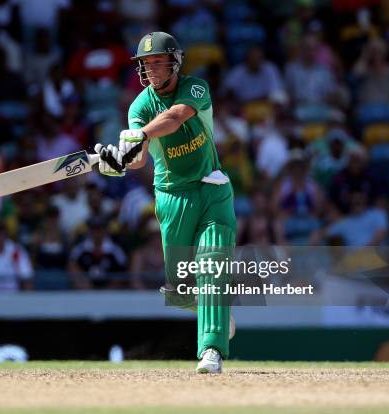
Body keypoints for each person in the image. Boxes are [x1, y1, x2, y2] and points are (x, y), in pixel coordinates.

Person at [94, 32, 236, 374]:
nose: (153, 69)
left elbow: (175, 117)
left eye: (159, 62)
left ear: (175, 61)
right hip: (171, 195)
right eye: (146, 64)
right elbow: (140, 159)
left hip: (211, 188)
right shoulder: (139, 107)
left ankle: (211, 350)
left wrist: (140, 135)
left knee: (211, 265)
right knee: (180, 288)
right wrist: (119, 161)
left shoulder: (195, 88)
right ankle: (213, 310)